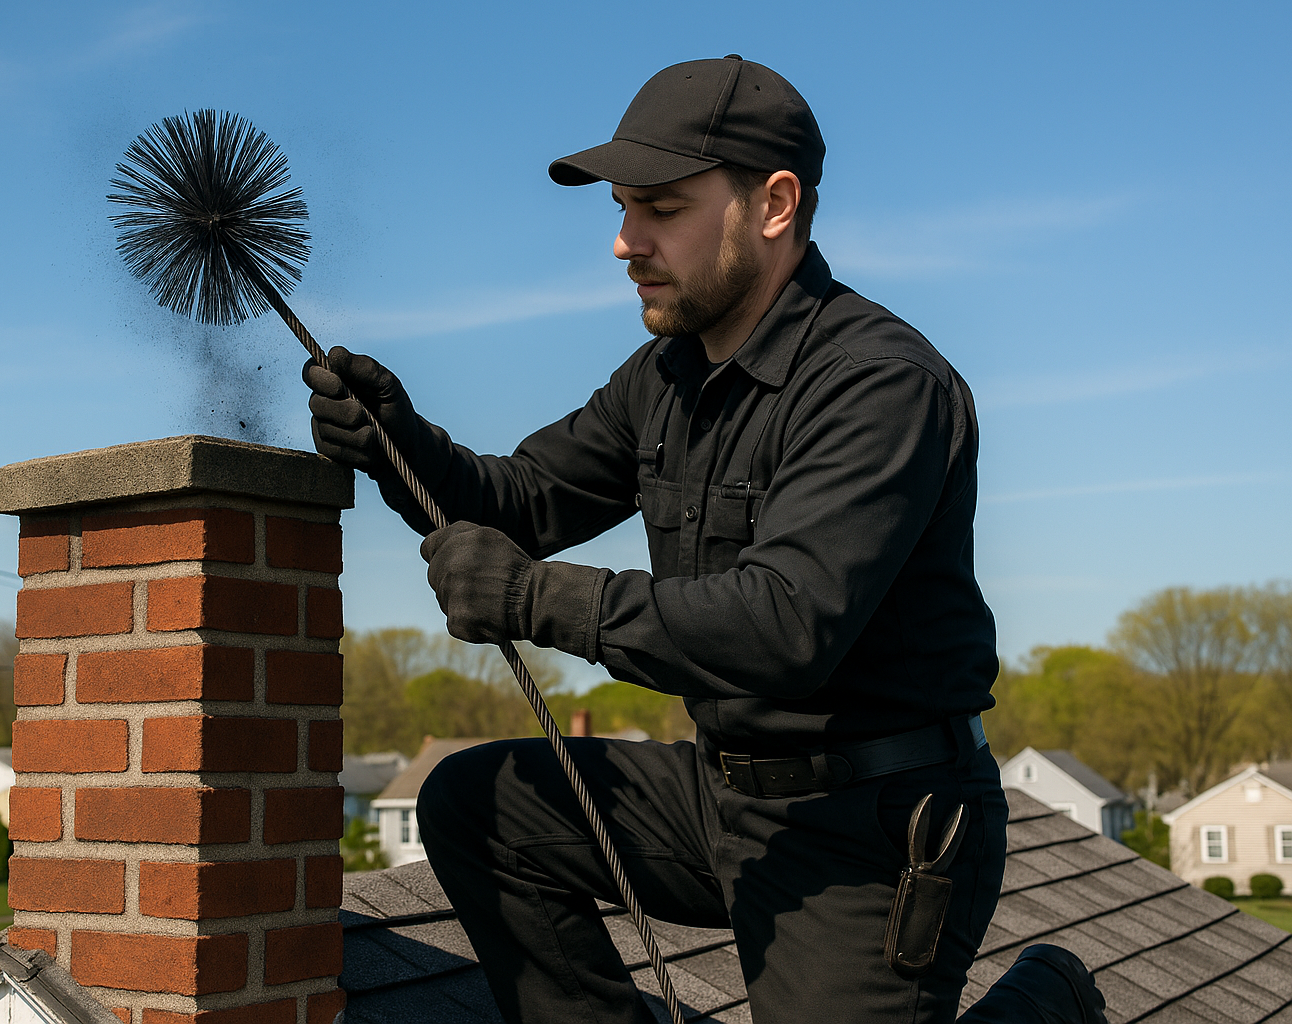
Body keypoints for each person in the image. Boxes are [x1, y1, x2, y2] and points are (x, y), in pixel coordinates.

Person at [306, 56, 1103, 1024]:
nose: (624, 240)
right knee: (479, 801)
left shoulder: (881, 384)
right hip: (721, 796)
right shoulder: (665, 374)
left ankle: (1045, 1002)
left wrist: (532, 598)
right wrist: (402, 446)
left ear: (774, 204)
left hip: (873, 828)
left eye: (661, 208)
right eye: (623, 207)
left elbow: (785, 626)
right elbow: (523, 500)